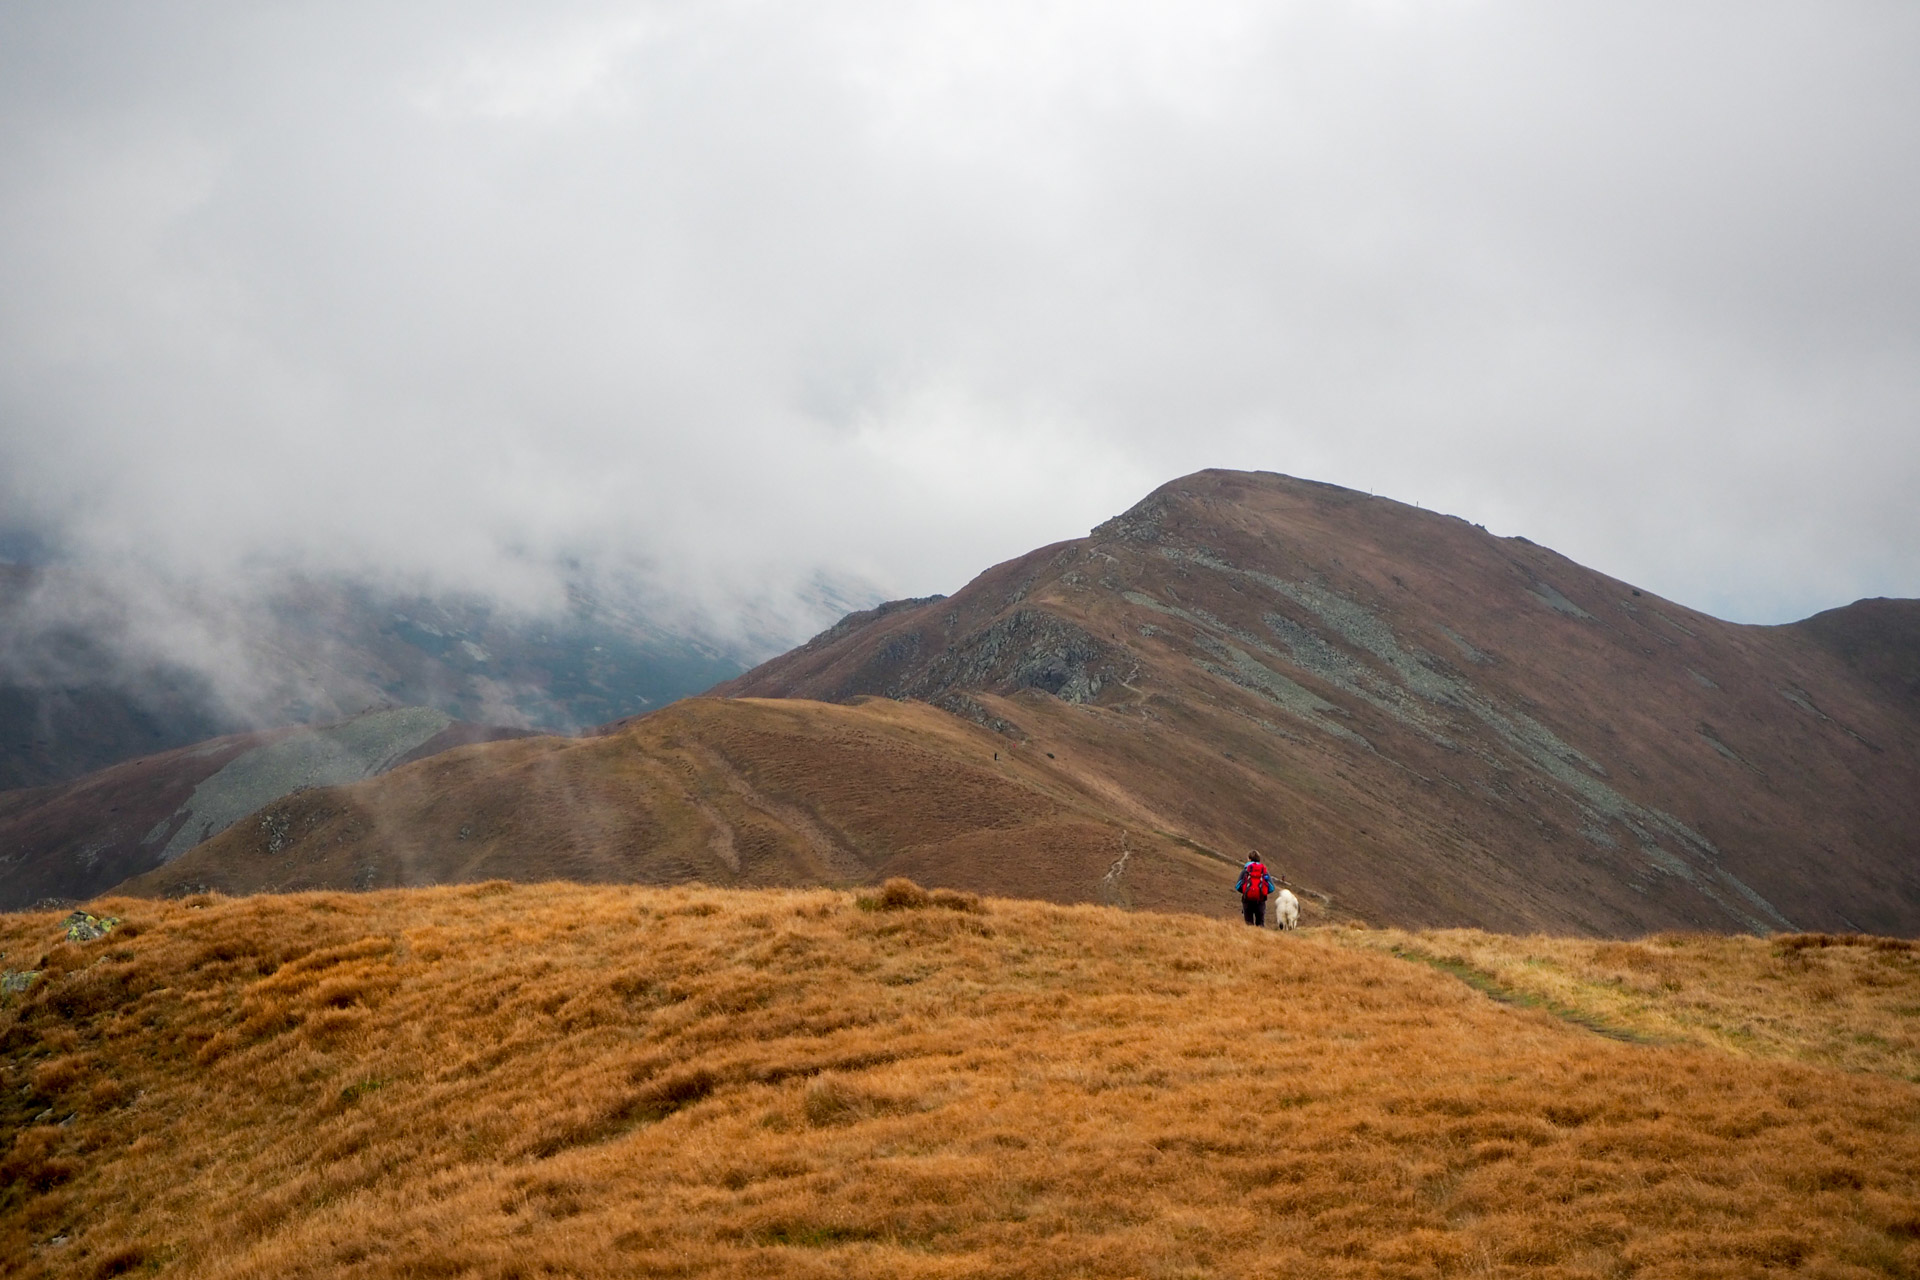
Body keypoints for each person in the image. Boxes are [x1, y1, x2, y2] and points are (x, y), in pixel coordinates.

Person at [1237, 853, 1273, 927]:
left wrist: (1246, 892)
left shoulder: (1246, 870)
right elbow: (1271, 888)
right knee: (1260, 924)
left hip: (1247, 900)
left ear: (1249, 859)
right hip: (1260, 900)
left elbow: (1238, 886)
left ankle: (1249, 938)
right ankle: (1260, 938)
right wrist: (1263, 892)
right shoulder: (1263, 871)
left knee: (1249, 923)